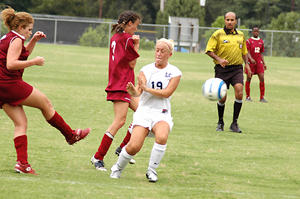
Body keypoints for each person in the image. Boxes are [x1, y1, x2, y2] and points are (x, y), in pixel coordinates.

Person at [0, 8, 91, 175]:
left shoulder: (10, 37)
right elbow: (11, 64)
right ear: (20, 27)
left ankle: (22, 164)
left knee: (21, 123)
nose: (29, 32)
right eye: (29, 30)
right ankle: (70, 135)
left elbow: (22, 55)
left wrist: (33, 40)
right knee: (45, 103)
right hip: (10, 83)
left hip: (2, 87)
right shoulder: (16, 40)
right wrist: (34, 62)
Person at [109, 38, 182, 183]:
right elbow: (138, 93)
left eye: (163, 51)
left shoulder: (175, 72)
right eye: (157, 50)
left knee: (162, 137)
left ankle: (151, 171)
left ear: (170, 54)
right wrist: (132, 91)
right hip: (144, 112)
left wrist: (147, 89)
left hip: (162, 113)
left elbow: (167, 93)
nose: (159, 54)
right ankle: (117, 168)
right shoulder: (146, 70)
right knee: (134, 147)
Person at [91, 10, 141, 171]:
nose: (136, 29)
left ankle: (122, 149)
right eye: (136, 25)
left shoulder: (115, 37)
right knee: (119, 121)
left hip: (120, 82)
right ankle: (97, 157)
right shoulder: (127, 39)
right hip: (122, 84)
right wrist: (136, 44)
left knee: (143, 113)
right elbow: (132, 64)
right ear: (129, 24)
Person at [205, 12, 251, 133]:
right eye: (227, 20)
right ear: (225, 21)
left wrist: (247, 64)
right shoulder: (218, 34)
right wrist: (219, 60)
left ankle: (234, 123)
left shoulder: (241, 35)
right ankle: (220, 122)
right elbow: (209, 50)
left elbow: (244, 52)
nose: (230, 22)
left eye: (232, 20)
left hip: (237, 69)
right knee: (222, 97)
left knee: (240, 92)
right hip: (222, 69)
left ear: (236, 21)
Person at [245, 26, 268, 103]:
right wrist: (251, 59)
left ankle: (262, 97)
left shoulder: (261, 41)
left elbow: (261, 53)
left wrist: (264, 63)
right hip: (250, 63)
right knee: (249, 78)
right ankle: (247, 97)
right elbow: (247, 52)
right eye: (254, 31)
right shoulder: (248, 41)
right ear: (252, 32)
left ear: (259, 32)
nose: (256, 32)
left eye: (257, 31)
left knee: (262, 78)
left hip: (258, 63)